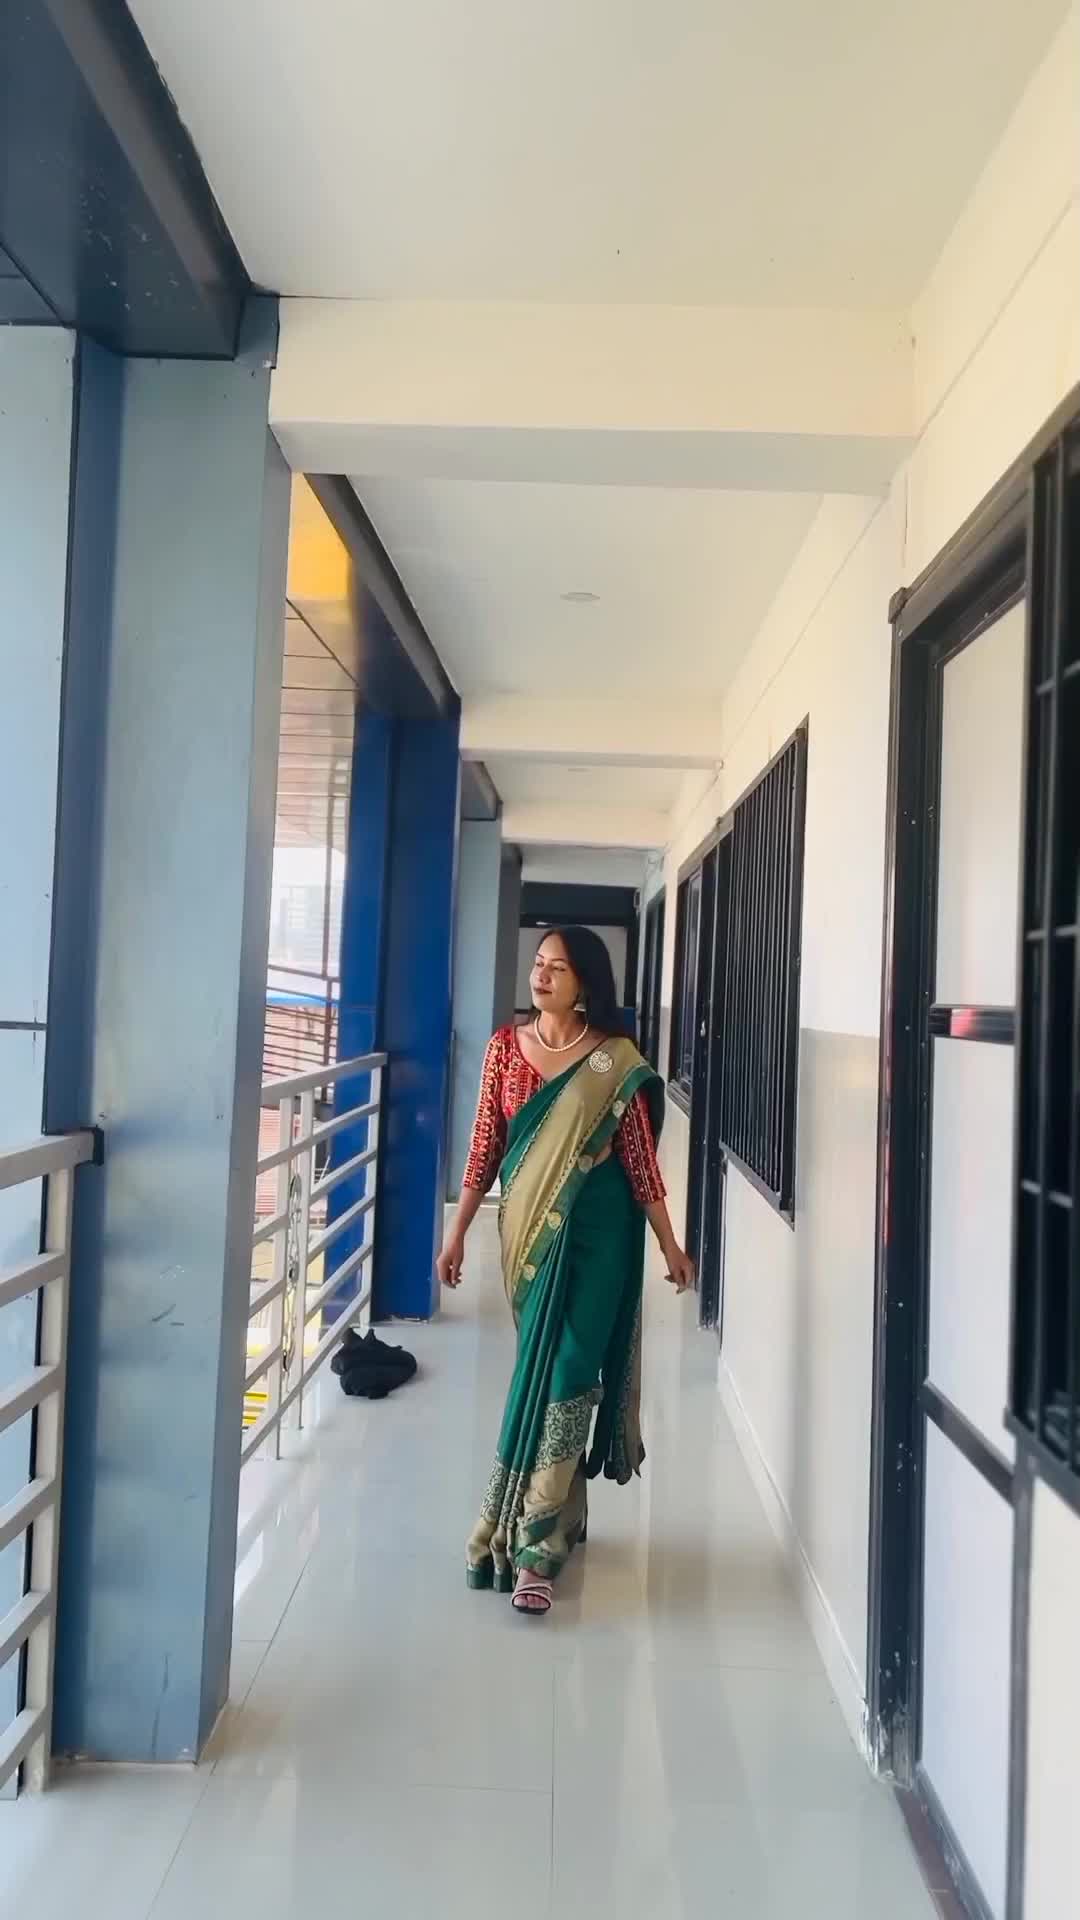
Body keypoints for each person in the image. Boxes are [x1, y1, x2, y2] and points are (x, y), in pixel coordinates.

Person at [437, 926, 695, 1616]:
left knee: (570, 1367)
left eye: (559, 967)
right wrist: (455, 1234)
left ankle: (536, 1548)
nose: (542, 975)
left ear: (586, 982)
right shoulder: (504, 1049)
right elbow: (483, 1149)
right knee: (542, 1365)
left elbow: (640, 1162)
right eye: (539, 964)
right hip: (529, 1239)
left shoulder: (614, 1059)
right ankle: (567, 1511)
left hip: (601, 1233)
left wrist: (670, 1244)